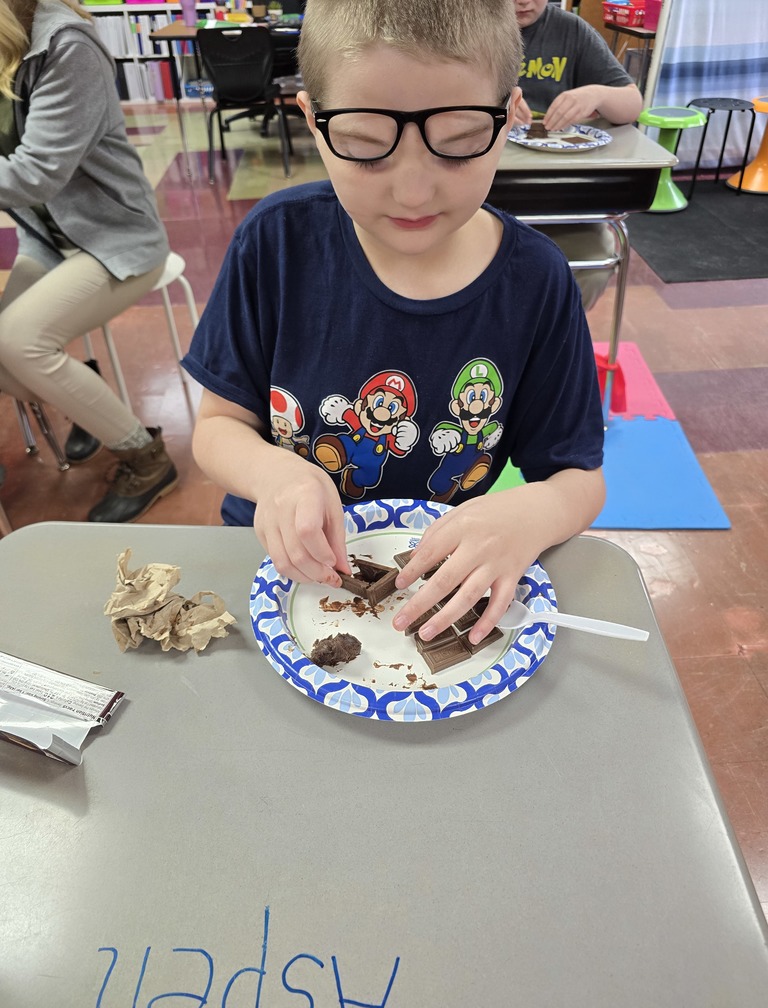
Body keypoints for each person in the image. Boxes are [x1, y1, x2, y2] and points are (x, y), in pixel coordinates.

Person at [183, 0, 606, 646]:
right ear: (313, 123)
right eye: (365, 146)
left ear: (511, 115)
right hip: (275, 568)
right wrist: (275, 476)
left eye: (459, 144)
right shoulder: (275, 245)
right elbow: (217, 428)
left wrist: (530, 514)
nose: (412, 191)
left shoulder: (537, 282)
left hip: (435, 587)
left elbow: (579, 478)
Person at [0, 0, 178, 522]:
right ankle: (83, 394)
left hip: (118, 241)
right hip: (48, 241)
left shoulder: (67, 47)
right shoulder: (10, 51)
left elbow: (35, 173)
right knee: (8, 352)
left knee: (20, 343)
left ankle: (147, 459)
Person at [513, 0, 644, 310]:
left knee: (594, 261)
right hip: (484, 193)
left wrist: (597, 93)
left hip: (559, 195)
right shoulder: (468, 27)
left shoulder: (571, 30)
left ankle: (555, 330)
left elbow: (632, 105)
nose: (523, 1)